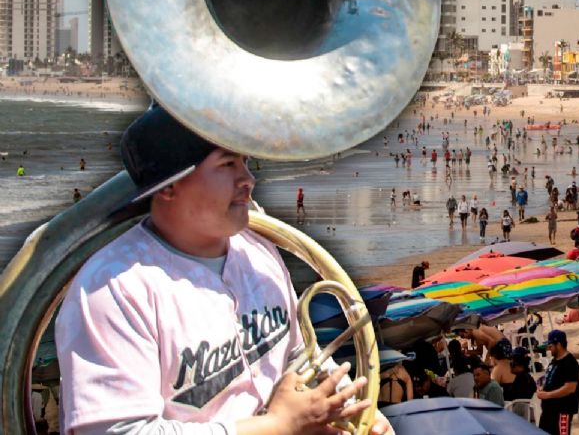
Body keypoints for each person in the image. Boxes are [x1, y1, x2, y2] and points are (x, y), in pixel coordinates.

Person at [54, 106, 392, 435]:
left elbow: (298, 357)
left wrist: (355, 408)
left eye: (243, 162)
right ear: (169, 186)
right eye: (228, 164)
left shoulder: (258, 250)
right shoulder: (113, 289)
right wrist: (276, 427)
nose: (248, 179)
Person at [537, 330, 579, 435]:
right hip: (548, 411)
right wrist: (543, 388)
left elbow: (570, 387)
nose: (549, 349)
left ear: (559, 345)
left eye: (551, 346)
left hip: (562, 410)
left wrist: (548, 395)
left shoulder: (570, 362)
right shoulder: (554, 360)